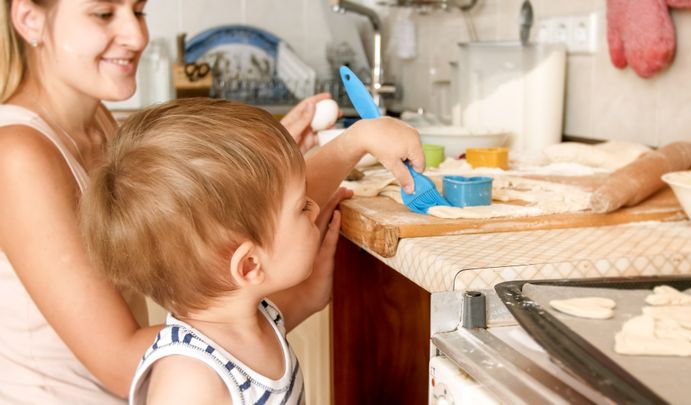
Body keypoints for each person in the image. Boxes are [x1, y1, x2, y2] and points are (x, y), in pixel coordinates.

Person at [0, 0, 424, 402]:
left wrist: (264, 175)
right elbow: (122, 364)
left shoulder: (98, 122)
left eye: (139, 10)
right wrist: (290, 303)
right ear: (29, 19)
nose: (136, 34)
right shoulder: (17, 155)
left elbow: (245, 228)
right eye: (104, 13)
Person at [81, 97, 339, 404]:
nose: (315, 209)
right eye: (302, 207)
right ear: (249, 265)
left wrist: (311, 292)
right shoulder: (190, 379)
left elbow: (300, 304)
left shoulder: (256, 319)